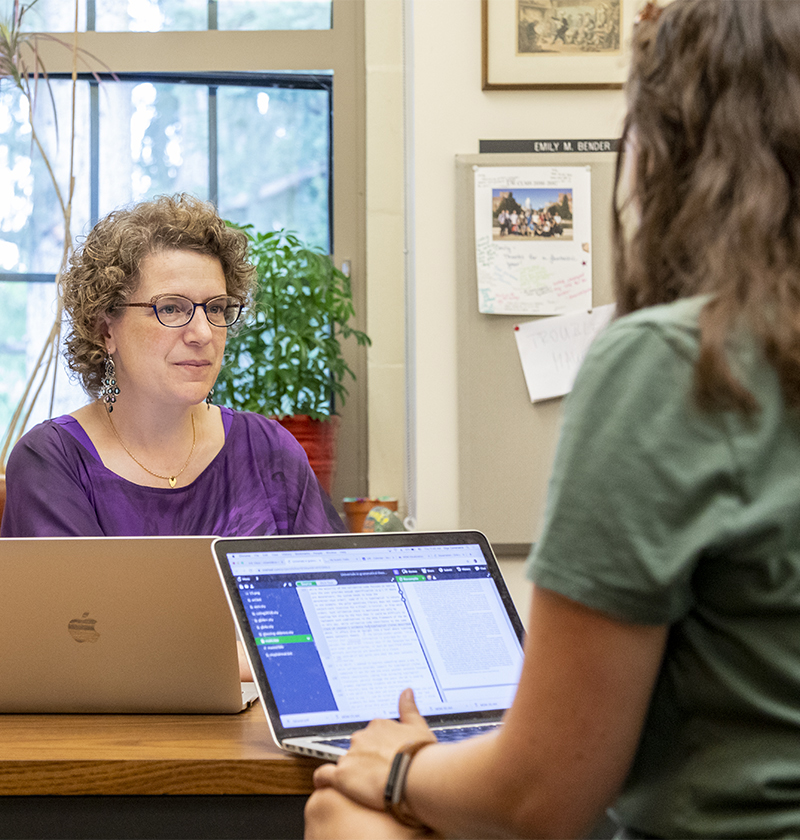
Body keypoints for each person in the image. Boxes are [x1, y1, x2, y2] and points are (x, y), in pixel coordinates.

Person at [305, 1, 800, 838]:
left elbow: (539, 798)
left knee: (347, 815)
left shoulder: (682, 361)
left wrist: (395, 766)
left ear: (671, 142)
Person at [1, 193, 344, 538]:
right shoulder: (52, 461)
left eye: (215, 308)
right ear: (106, 329)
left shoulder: (270, 452)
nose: (203, 333)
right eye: (171, 308)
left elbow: (329, 586)